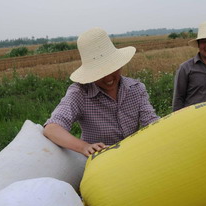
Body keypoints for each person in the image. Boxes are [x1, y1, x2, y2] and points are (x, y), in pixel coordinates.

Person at [44, 27, 159, 157]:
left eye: (112, 70)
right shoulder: (80, 93)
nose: (109, 78)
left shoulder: (136, 89)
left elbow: (151, 122)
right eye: (101, 74)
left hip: (133, 156)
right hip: (100, 163)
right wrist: (85, 147)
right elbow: (52, 128)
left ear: (119, 65)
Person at [172, 21, 206, 111]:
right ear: (198, 44)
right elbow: (178, 99)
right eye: (204, 42)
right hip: (193, 121)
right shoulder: (185, 68)